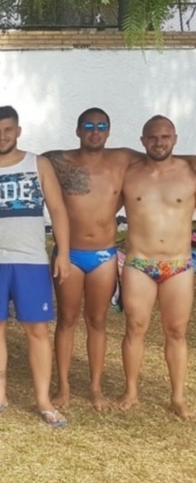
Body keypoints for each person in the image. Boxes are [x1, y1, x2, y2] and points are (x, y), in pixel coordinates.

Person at [0, 106, 71, 426]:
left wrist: (63, 253)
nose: (1, 136)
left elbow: (58, 210)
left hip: (30, 261)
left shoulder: (39, 164)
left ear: (18, 131)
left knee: (37, 330)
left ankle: (44, 401)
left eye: (8, 130)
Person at [42, 108, 143, 410]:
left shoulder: (124, 158)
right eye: (88, 126)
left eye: (101, 126)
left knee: (97, 321)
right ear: (77, 130)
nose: (95, 131)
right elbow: (17, 157)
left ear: (109, 131)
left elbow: (163, 156)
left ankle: (96, 388)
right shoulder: (57, 160)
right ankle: (63, 387)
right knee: (67, 320)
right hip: (68, 254)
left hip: (104, 254)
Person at [118, 115, 196, 419]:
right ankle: (131, 391)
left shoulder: (190, 172)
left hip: (178, 263)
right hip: (139, 262)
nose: (159, 142)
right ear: (142, 141)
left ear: (175, 139)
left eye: (165, 137)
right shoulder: (130, 174)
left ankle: (177, 397)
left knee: (176, 331)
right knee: (135, 328)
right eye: (152, 137)